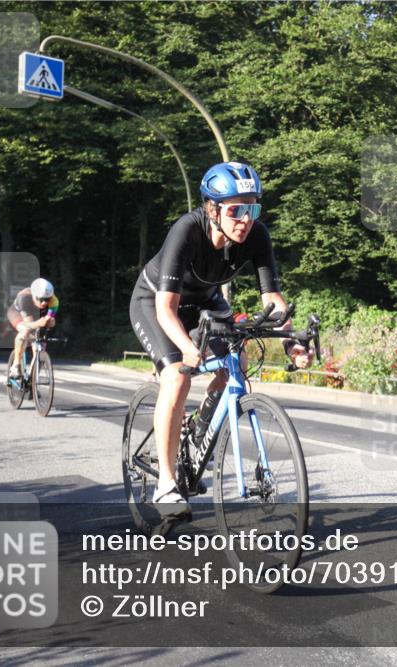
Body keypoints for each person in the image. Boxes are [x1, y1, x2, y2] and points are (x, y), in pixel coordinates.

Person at [129, 161, 313, 516]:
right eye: (236, 210)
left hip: (206, 302)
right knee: (176, 376)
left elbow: (272, 300)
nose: (245, 219)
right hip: (156, 302)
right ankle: (166, 484)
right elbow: (166, 309)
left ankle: (199, 429)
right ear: (213, 209)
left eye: (253, 208)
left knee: (237, 364)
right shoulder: (187, 230)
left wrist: (291, 340)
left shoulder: (256, 234)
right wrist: (185, 349)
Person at [7, 278, 58, 379]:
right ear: (34, 296)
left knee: (40, 347)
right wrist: (40, 323)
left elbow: (49, 320)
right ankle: (16, 365)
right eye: (40, 299)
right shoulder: (24, 298)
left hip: (36, 315)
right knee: (25, 331)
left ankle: (32, 382)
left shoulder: (54, 301)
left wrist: (50, 323)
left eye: (47, 299)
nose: (44, 302)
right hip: (17, 314)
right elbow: (29, 324)